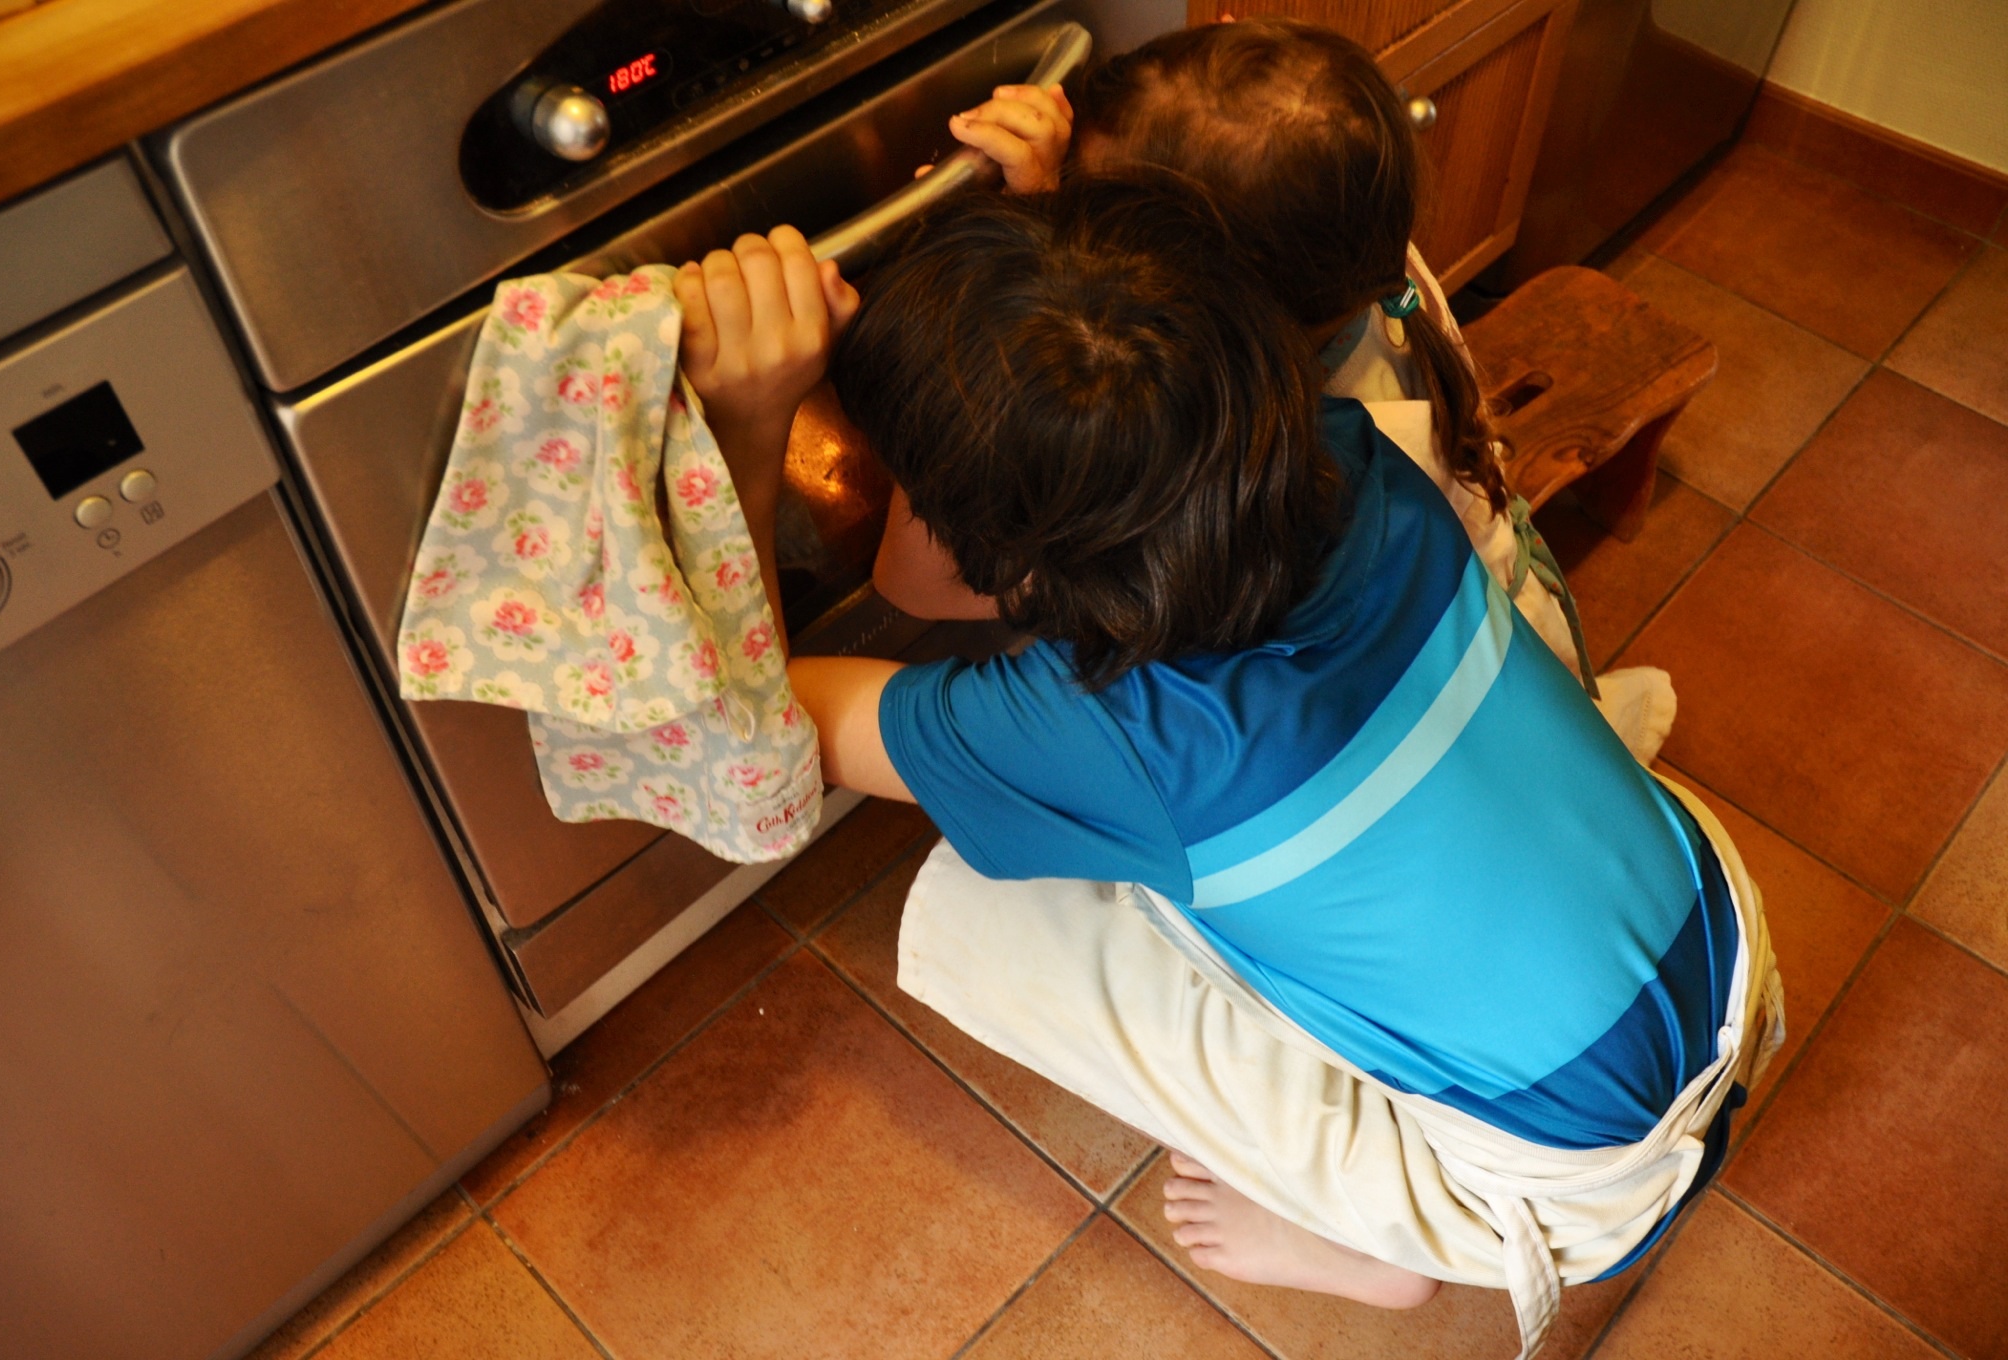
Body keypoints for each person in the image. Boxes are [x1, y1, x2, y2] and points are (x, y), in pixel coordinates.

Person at [671, 180, 1781, 1358]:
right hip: (1723, 940)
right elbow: (942, 569)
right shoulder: (1349, 455)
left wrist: (744, 424)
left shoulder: (1106, 741)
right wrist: (1036, 293)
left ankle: (1374, 1235)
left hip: (1573, 1185)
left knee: (1007, 921)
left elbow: (760, 728)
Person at [873, 18, 1678, 763]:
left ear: (1191, 303)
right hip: (1492, 628)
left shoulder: (1232, 467)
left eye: (1093, 208)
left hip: (1403, 716)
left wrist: (994, 285)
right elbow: (1255, 138)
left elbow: (916, 584)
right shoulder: (1353, 250)